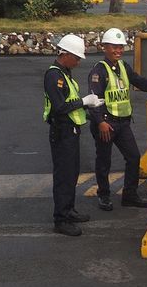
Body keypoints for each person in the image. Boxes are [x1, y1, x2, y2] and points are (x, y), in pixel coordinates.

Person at [87, 27, 147, 211]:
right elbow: (94, 99)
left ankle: (130, 194)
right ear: (105, 47)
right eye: (114, 47)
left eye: (120, 47)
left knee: (134, 157)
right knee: (104, 161)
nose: (118, 50)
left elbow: (139, 81)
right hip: (106, 123)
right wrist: (100, 122)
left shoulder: (123, 67)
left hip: (122, 123)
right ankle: (104, 195)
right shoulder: (99, 71)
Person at [43, 34, 104, 236]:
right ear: (65, 54)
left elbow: (70, 103)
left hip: (71, 131)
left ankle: (68, 211)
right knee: (63, 176)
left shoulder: (65, 72)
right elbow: (60, 107)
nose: (78, 62)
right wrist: (85, 101)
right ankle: (60, 219)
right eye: (77, 57)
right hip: (62, 132)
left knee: (72, 174)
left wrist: (90, 105)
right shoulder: (54, 75)